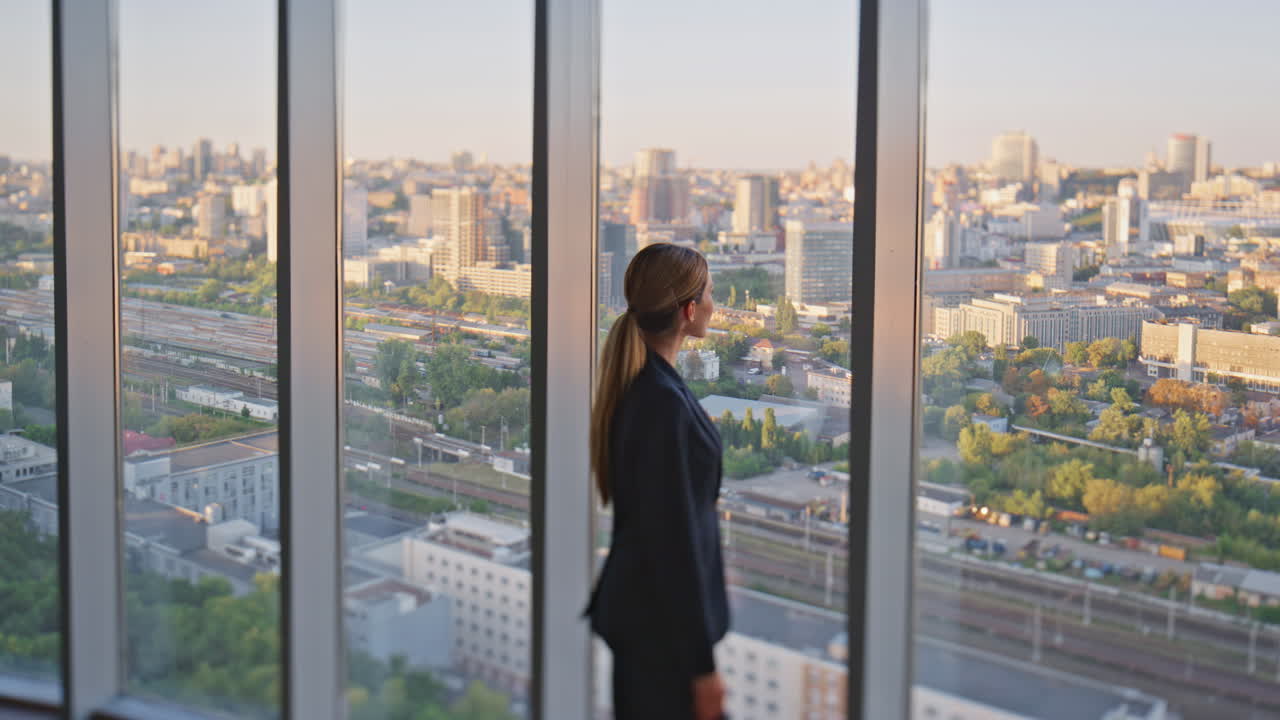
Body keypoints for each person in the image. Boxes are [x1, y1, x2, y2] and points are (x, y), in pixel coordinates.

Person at [584, 243, 730, 720]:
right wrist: (702, 669)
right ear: (689, 311)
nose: (714, 303)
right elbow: (674, 542)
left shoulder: (651, 384)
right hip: (661, 635)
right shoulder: (659, 401)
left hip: (653, 625)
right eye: (709, 293)